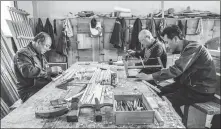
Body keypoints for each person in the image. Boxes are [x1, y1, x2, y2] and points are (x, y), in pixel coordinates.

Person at [136, 25, 217, 118]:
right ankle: (180, 119)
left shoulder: (194, 47)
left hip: (201, 90)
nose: (166, 46)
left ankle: (178, 123)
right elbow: (179, 72)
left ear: (175, 39)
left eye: (167, 42)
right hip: (191, 86)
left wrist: (150, 76)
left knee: (165, 101)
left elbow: (177, 69)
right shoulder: (187, 48)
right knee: (158, 92)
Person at [14, 32, 63, 102]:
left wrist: (55, 73)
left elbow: (44, 71)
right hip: (29, 91)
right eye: (46, 46)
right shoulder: (23, 53)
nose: (47, 49)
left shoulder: (40, 53)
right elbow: (28, 72)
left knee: (62, 94)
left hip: (41, 86)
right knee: (53, 101)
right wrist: (50, 70)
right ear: (38, 42)